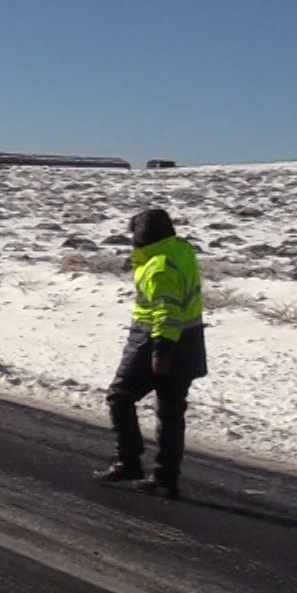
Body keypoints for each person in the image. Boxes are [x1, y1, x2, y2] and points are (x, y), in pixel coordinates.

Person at [98, 208, 207, 497]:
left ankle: (129, 461)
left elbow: (165, 311)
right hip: (191, 340)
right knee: (171, 410)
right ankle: (166, 478)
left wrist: (161, 351)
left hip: (156, 341)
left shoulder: (158, 265)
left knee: (120, 397)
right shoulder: (181, 251)